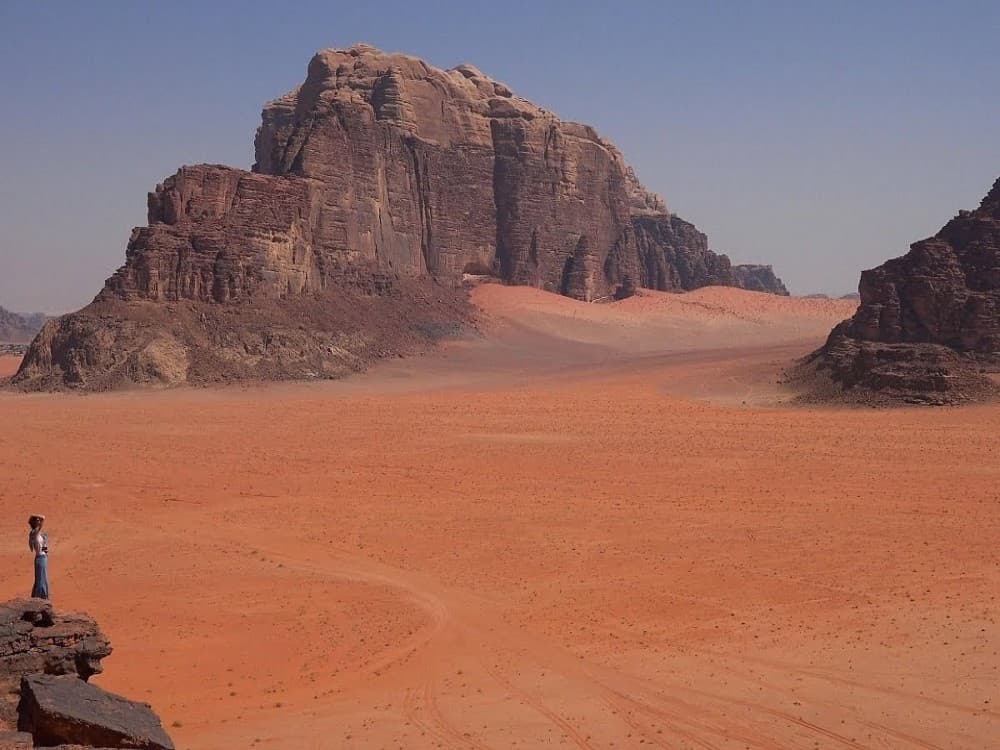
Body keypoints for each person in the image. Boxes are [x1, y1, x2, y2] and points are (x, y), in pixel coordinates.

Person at [28, 514, 49, 599]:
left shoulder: (38, 534)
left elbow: (44, 545)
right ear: (34, 523)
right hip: (40, 558)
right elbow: (43, 517)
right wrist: (35, 515)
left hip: (42, 558)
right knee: (40, 578)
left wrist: (46, 554)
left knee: (41, 577)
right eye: (37, 520)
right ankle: (40, 597)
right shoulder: (34, 532)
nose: (39, 521)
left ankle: (41, 596)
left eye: (38, 520)